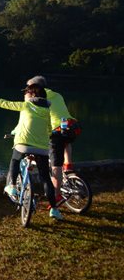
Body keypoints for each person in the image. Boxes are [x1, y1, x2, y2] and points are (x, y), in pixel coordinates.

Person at [0, 84, 63, 220]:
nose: (24, 95)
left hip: (24, 145)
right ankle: (54, 210)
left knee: (15, 161)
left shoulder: (26, 106)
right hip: (42, 149)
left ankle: (13, 187)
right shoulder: (46, 111)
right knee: (46, 178)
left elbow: (5, 104)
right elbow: (49, 131)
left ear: (33, 95)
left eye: (26, 92)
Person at [25, 76, 81, 208]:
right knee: (65, 142)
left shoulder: (38, 98)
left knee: (56, 165)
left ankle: (56, 196)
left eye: (29, 88)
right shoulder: (57, 95)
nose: (27, 91)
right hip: (72, 126)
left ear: (35, 87)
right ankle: (69, 165)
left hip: (56, 130)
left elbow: (30, 116)